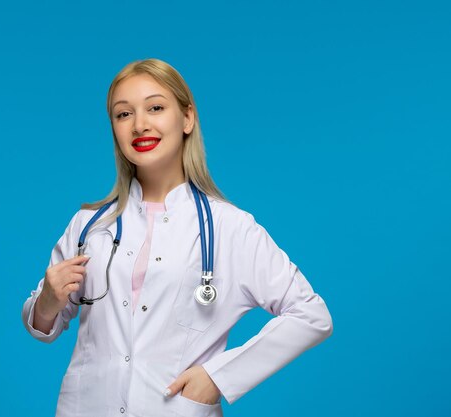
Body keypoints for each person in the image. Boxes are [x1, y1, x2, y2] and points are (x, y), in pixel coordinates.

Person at [21, 58, 333, 417]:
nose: (139, 125)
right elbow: (42, 323)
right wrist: (46, 301)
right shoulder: (89, 225)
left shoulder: (230, 228)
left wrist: (217, 377)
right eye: (124, 114)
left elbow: (312, 315)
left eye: (155, 107)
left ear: (187, 118)